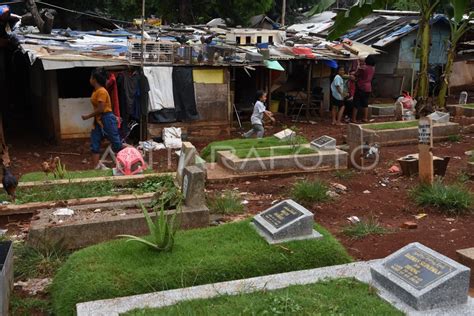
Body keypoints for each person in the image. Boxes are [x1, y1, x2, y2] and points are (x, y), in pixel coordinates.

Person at [82, 68, 123, 170]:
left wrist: (87, 116)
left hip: (106, 118)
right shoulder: (96, 91)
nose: (90, 79)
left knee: (117, 144)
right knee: (95, 143)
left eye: (91, 77)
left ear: (94, 79)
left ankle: (133, 156)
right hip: (99, 119)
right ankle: (96, 167)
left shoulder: (102, 91)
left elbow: (101, 109)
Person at [352, 55, 376, 123]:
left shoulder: (363, 68)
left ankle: (353, 119)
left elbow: (356, 74)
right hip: (368, 87)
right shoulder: (373, 68)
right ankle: (365, 118)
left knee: (356, 103)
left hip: (361, 86)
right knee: (365, 103)